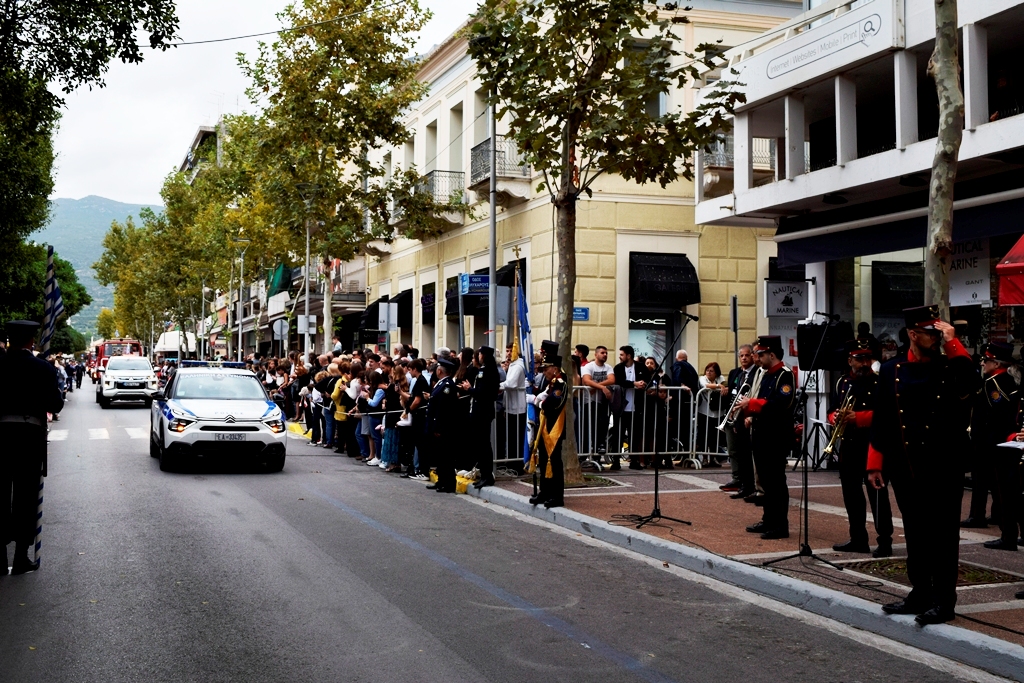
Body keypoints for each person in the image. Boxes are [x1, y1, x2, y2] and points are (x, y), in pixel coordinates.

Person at [868, 305, 980, 625]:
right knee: (915, 531)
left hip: (943, 464)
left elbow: (971, 384)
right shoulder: (891, 369)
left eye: (938, 332)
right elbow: (883, 417)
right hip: (906, 465)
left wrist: (953, 342)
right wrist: (875, 463)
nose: (935, 338)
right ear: (912, 334)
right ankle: (920, 592)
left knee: (943, 535)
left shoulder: (951, 364)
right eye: (930, 333)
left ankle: (944, 600)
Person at [0, 321, 64, 574]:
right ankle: (20, 557)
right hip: (28, 436)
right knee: (26, 497)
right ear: (31, 341)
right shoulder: (42, 368)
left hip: (0, 436)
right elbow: (56, 405)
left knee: (0, 495)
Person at [830, 339, 893, 557]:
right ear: (850, 361)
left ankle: (885, 540)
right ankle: (858, 538)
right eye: (859, 359)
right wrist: (835, 417)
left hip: (872, 445)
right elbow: (832, 409)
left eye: (867, 359)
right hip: (848, 445)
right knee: (851, 495)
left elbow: (887, 415)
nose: (865, 363)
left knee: (877, 495)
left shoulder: (880, 383)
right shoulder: (842, 383)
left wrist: (858, 418)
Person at [737, 335, 795, 540]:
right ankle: (769, 519)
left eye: (760, 354)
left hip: (776, 436)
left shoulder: (784, 375)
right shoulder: (767, 374)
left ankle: (780, 524)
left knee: (776, 481)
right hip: (762, 434)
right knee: (766, 481)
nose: (757, 358)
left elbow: (781, 403)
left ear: (772, 354)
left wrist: (751, 405)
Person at [968, 342, 1020, 550]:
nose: (982, 363)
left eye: (986, 360)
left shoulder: (994, 384)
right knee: (1009, 491)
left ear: (995, 362)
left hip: (996, 445)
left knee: (1004, 492)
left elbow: (997, 417)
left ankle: (1008, 536)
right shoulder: (1008, 381)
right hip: (1003, 443)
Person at [528, 349, 569, 508]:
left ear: (555, 368)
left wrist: (537, 402)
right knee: (544, 461)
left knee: (555, 463)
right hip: (546, 427)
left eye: (546, 369)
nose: (544, 372)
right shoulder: (551, 382)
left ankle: (557, 496)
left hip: (555, 428)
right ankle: (544, 492)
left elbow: (553, 403)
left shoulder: (561, 383)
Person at [721, 344, 759, 495]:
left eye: (747, 355)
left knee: (748, 453)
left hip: (748, 416)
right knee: (735, 451)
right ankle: (740, 481)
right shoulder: (735, 373)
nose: (744, 358)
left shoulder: (757, 372)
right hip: (733, 416)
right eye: (741, 356)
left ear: (752, 356)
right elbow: (732, 393)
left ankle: (750, 485)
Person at [462, 346, 500, 489]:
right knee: (481, 444)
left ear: (483, 356)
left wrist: (469, 389)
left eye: (480, 354)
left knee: (483, 445)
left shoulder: (486, 370)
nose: (478, 357)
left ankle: (486, 475)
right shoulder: (488, 369)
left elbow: (482, 393)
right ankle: (485, 474)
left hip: (482, 412)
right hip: (482, 411)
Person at [613, 345, 651, 469]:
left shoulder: (640, 367)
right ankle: (616, 460)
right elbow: (619, 381)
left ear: (628, 356)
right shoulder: (618, 368)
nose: (620, 357)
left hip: (636, 406)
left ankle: (634, 460)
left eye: (622, 355)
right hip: (621, 407)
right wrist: (634, 384)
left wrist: (643, 384)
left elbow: (648, 379)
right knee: (618, 434)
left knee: (634, 434)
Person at [426, 358, 460, 493]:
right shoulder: (442, 384)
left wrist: (438, 427)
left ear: (439, 371)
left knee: (446, 456)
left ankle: (448, 484)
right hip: (440, 426)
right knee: (440, 456)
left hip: (444, 428)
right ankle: (441, 481)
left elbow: (443, 409)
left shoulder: (447, 386)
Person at [581, 345, 614, 462]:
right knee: (589, 427)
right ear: (595, 354)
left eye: (606, 353)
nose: (605, 355)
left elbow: (612, 379)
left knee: (602, 425)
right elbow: (586, 380)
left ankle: (597, 454)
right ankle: (584, 455)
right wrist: (602, 387)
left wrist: (598, 387)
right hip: (589, 401)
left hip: (602, 402)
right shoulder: (588, 366)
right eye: (602, 353)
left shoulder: (608, 367)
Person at [500, 344, 528, 466]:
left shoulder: (518, 366)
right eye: (507, 351)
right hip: (511, 406)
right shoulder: (512, 365)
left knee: (515, 436)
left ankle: (516, 464)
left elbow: (511, 383)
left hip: (518, 407)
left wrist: (498, 386)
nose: (508, 353)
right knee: (511, 436)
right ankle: (512, 461)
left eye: (511, 351)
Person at [696, 362, 725, 461]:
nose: (708, 372)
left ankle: (713, 458)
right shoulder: (702, 378)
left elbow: (724, 384)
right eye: (707, 370)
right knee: (704, 435)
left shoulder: (721, 378)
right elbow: (706, 385)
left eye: (711, 371)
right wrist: (718, 386)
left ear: (716, 373)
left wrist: (719, 385)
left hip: (717, 412)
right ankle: (704, 458)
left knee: (714, 436)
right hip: (704, 411)